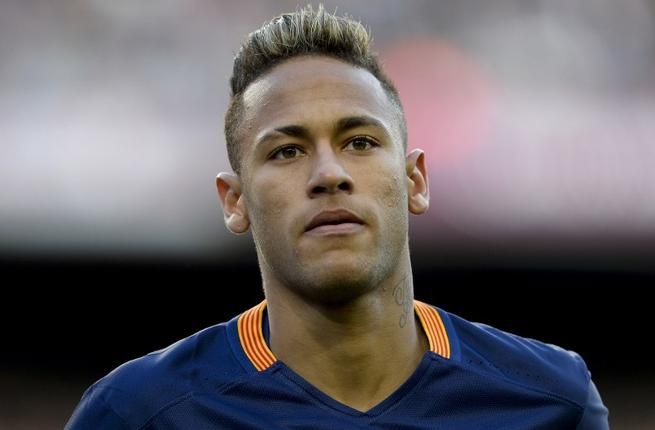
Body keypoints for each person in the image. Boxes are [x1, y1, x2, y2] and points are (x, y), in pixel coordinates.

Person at [66, 5, 609, 429]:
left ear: (415, 180)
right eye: (286, 151)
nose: (329, 174)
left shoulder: (553, 400)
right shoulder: (137, 413)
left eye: (360, 142)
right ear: (235, 202)